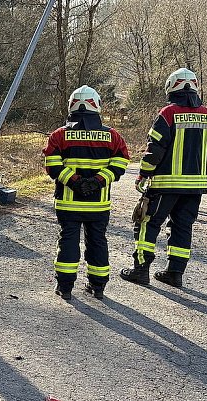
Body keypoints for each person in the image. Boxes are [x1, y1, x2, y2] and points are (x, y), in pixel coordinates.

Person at [120, 68, 207, 289]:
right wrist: (203, 174)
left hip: (165, 184)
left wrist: (143, 174)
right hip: (195, 187)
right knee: (183, 227)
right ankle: (175, 274)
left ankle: (141, 270)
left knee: (148, 223)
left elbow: (154, 149)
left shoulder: (168, 113)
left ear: (172, 87)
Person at [43, 85, 130, 300]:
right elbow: (121, 162)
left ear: (71, 105)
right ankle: (98, 286)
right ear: (97, 106)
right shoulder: (113, 136)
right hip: (98, 204)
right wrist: (98, 181)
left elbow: (52, 165)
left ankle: (65, 288)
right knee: (98, 241)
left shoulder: (59, 135)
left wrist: (74, 182)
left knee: (68, 241)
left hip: (67, 203)